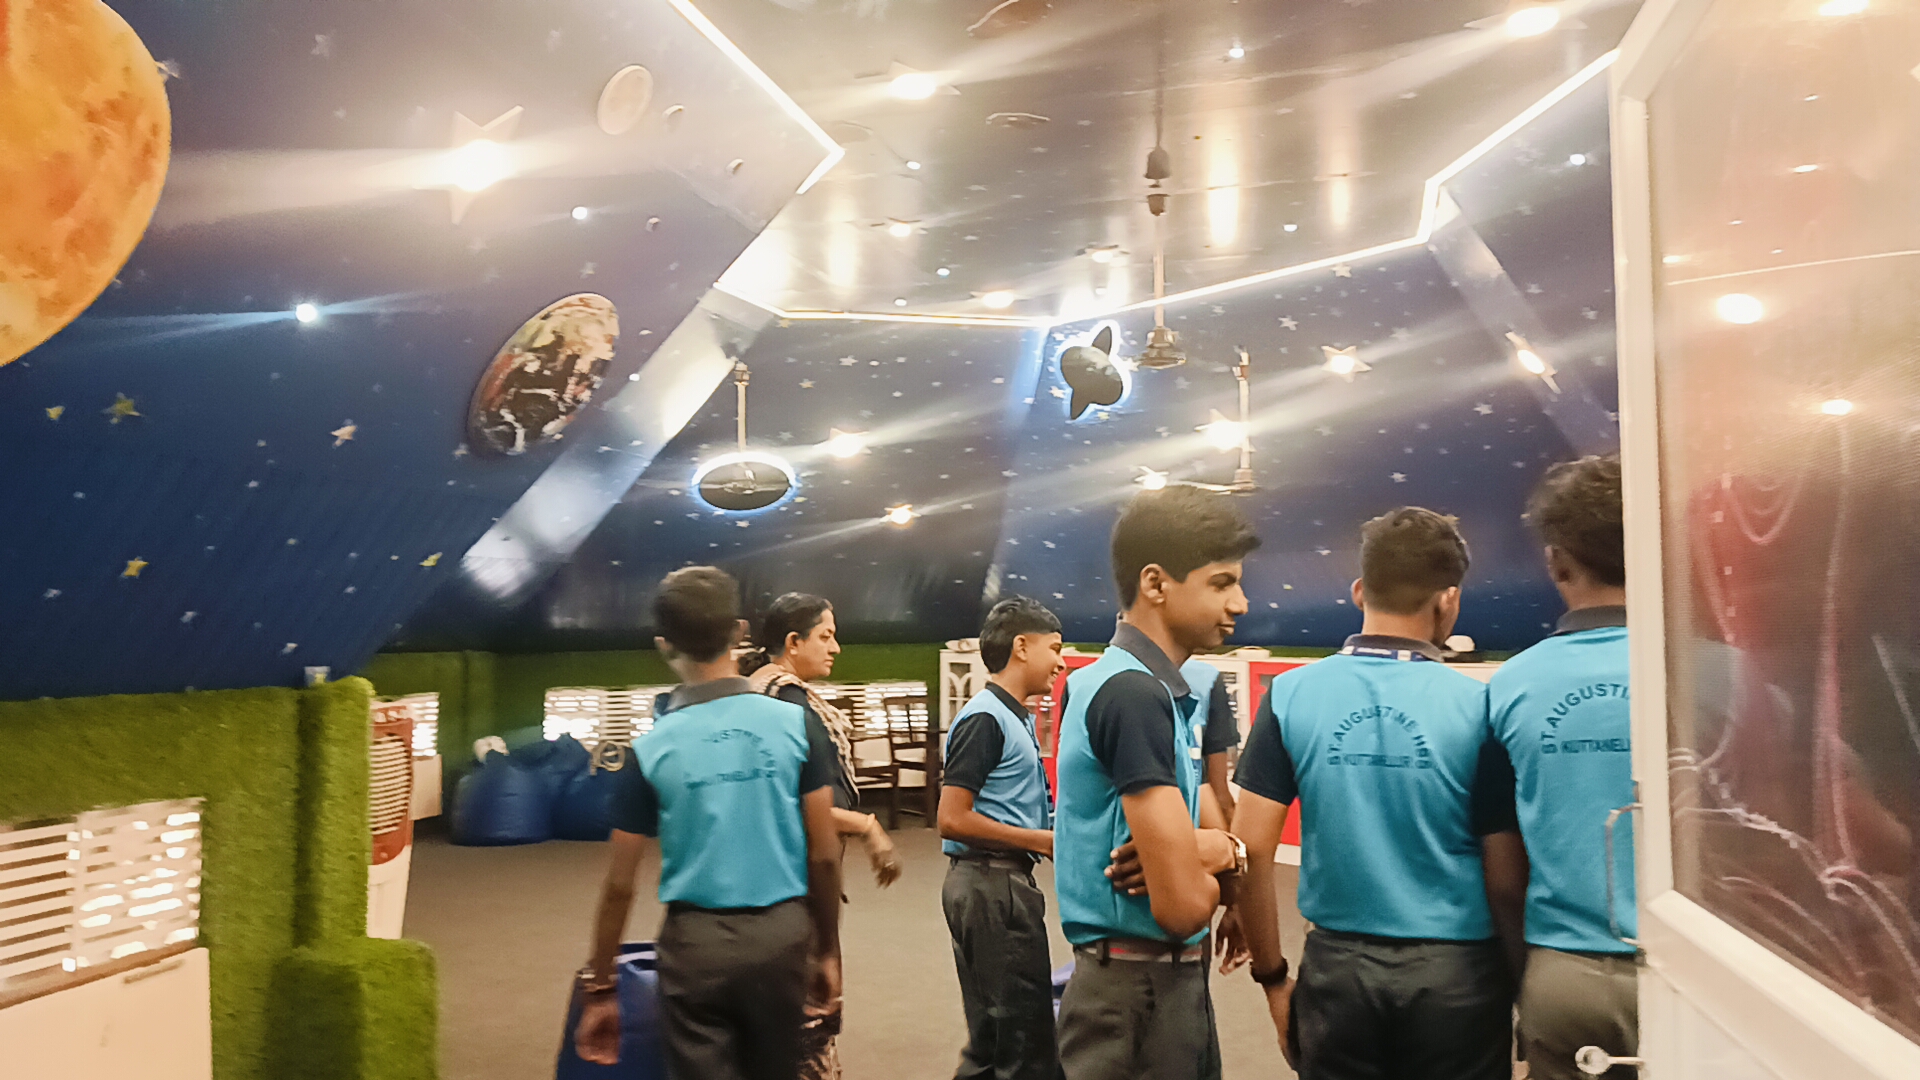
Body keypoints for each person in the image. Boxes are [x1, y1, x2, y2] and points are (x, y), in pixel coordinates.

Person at [1231, 507, 1526, 1080]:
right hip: (1457, 977)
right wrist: (1521, 984)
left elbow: (1251, 850)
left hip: (1337, 974)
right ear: (1448, 600)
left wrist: (1273, 978)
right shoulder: (1480, 707)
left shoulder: (1289, 695)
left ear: (1360, 590)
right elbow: (1506, 877)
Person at [572, 566, 843, 1080]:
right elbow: (824, 854)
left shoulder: (649, 750)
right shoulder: (795, 724)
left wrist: (601, 987)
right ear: (739, 632)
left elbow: (619, 886)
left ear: (663, 645)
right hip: (782, 939)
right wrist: (826, 949)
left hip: (695, 948)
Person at [1052, 484, 1259, 1080]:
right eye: (1221, 583)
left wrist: (1201, 851)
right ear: (1155, 584)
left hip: (1137, 984)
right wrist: (1223, 853)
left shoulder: (1121, 682)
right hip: (1139, 995)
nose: (1241, 603)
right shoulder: (1135, 694)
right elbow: (1183, 907)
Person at [1489, 455, 1638, 1080]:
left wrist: (1527, 978)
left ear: (1556, 562)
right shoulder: (1728, 672)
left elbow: (1502, 873)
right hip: (1701, 970)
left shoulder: (1508, 687)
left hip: (1563, 974)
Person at [740, 591, 901, 1080]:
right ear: (794, 642)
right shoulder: (788, 704)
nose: (835, 647)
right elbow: (795, 803)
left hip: (762, 881)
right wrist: (868, 826)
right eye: (826, 636)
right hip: (796, 881)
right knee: (809, 1022)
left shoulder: (757, 692)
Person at [937, 596, 1068, 1080]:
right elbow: (952, 819)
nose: (1060, 662)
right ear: (1021, 647)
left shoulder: (1010, 717)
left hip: (994, 886)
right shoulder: (986, 718)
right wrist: (1040, 840)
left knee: (994, 1046)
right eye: (1055, 648)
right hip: (992, 889)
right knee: (1022, 1048)